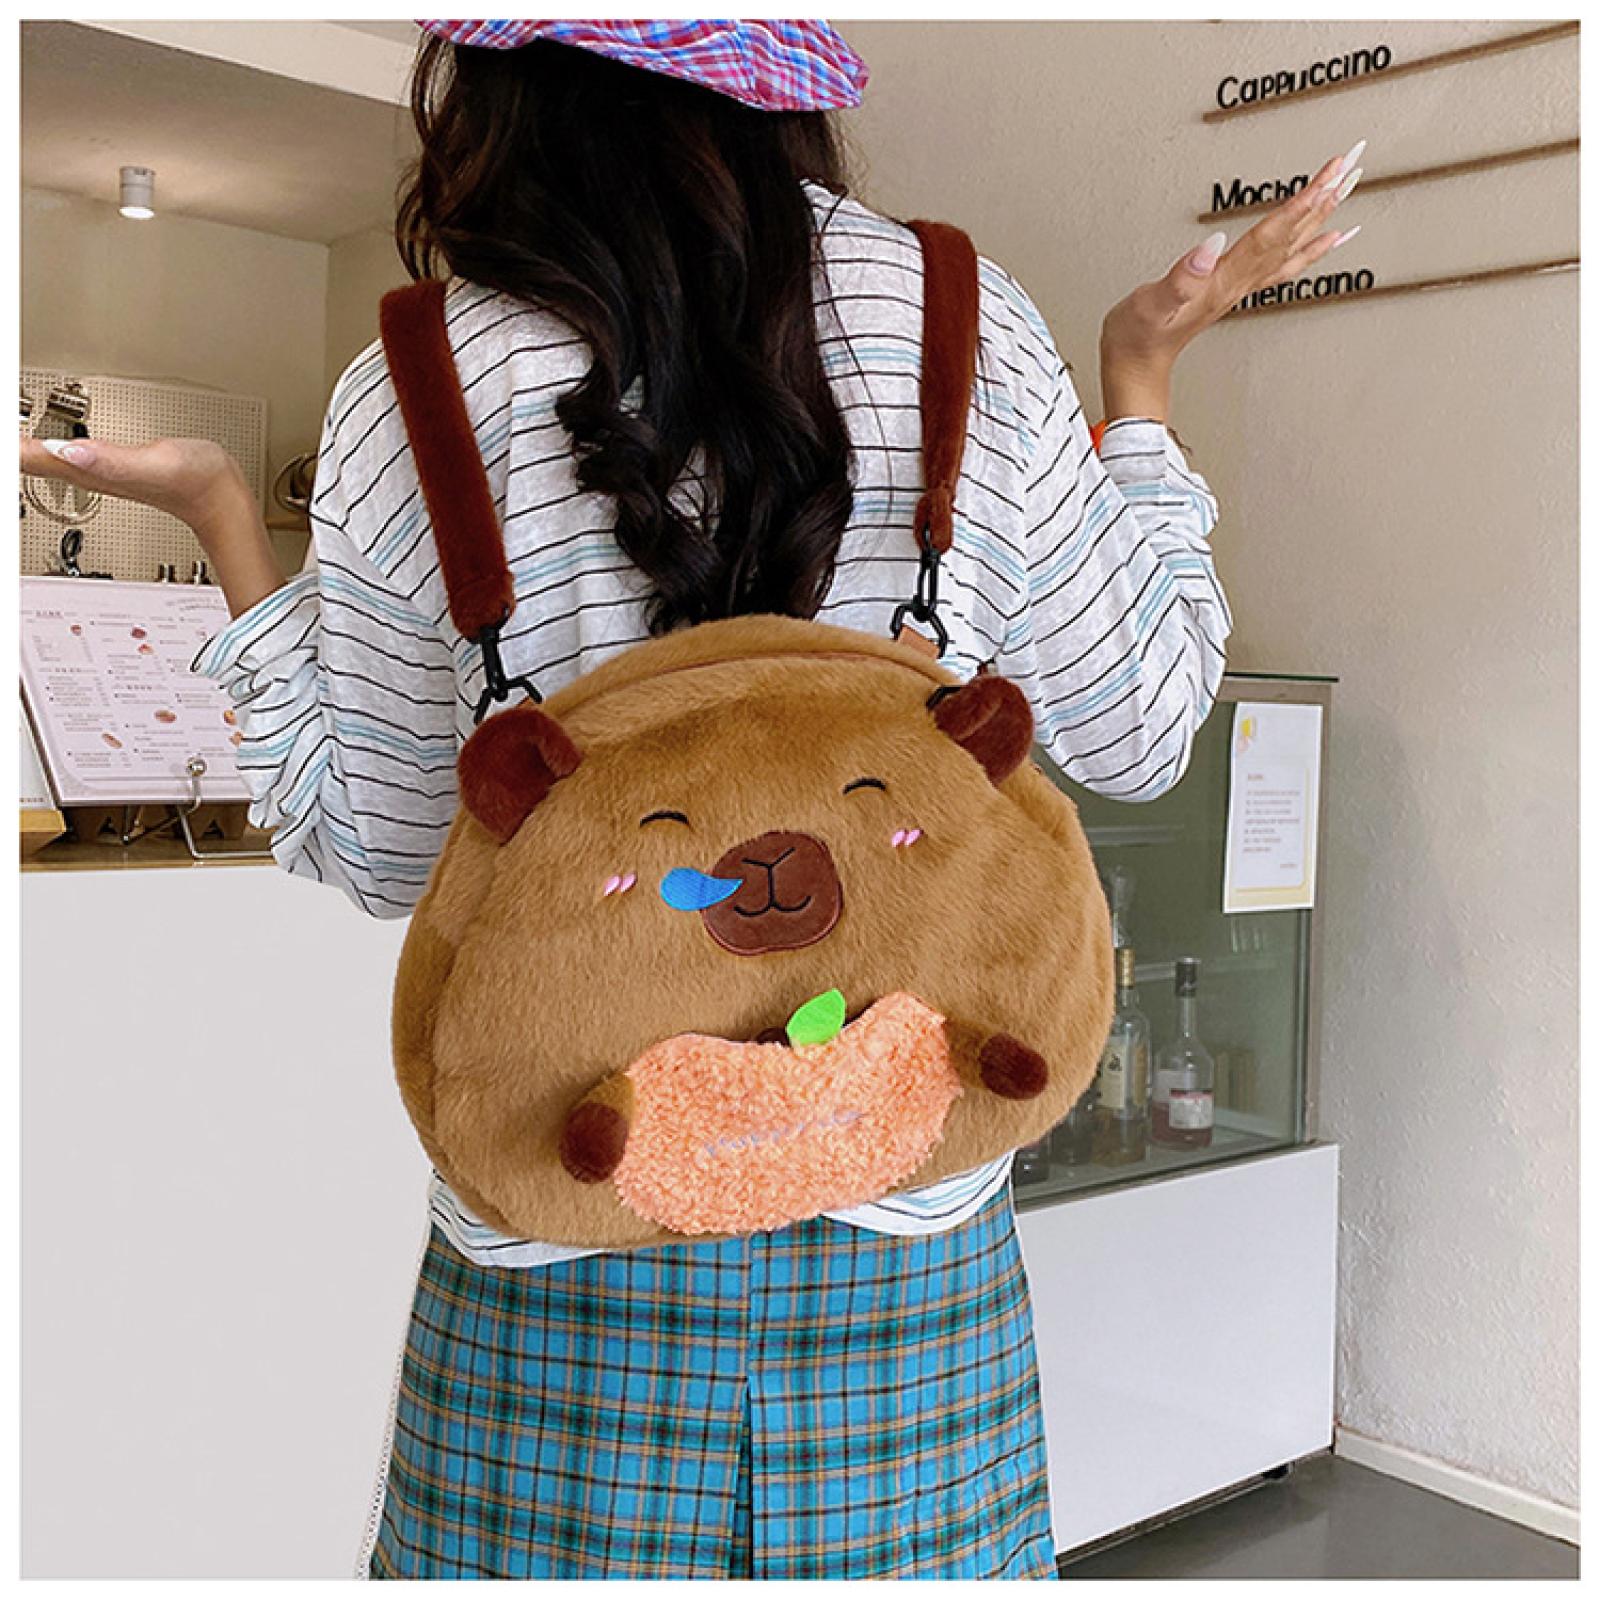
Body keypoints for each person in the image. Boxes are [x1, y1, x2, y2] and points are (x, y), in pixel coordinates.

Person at [20, 19, 1365, 1580]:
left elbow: (380, 853)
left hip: (556, 1248)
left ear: (504, 90)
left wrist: (232, 533)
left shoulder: (420, 376)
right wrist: (1139, 393)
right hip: (909, 1252)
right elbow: (1141, 731)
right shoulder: (965, 319)